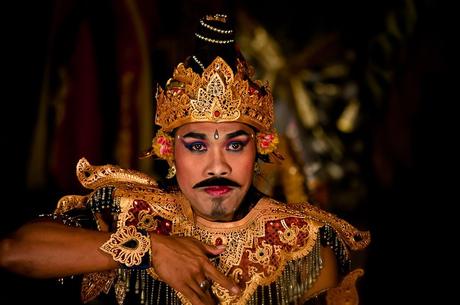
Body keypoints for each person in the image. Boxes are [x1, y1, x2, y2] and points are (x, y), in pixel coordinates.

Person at [0, 13, 370, 305]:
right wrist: (147, 248)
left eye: (235, 145)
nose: (217, 166)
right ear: (167, 150)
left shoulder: (304, 244)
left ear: (261, 148)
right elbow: (15, 251)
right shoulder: (133, 212)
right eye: (196, 146)